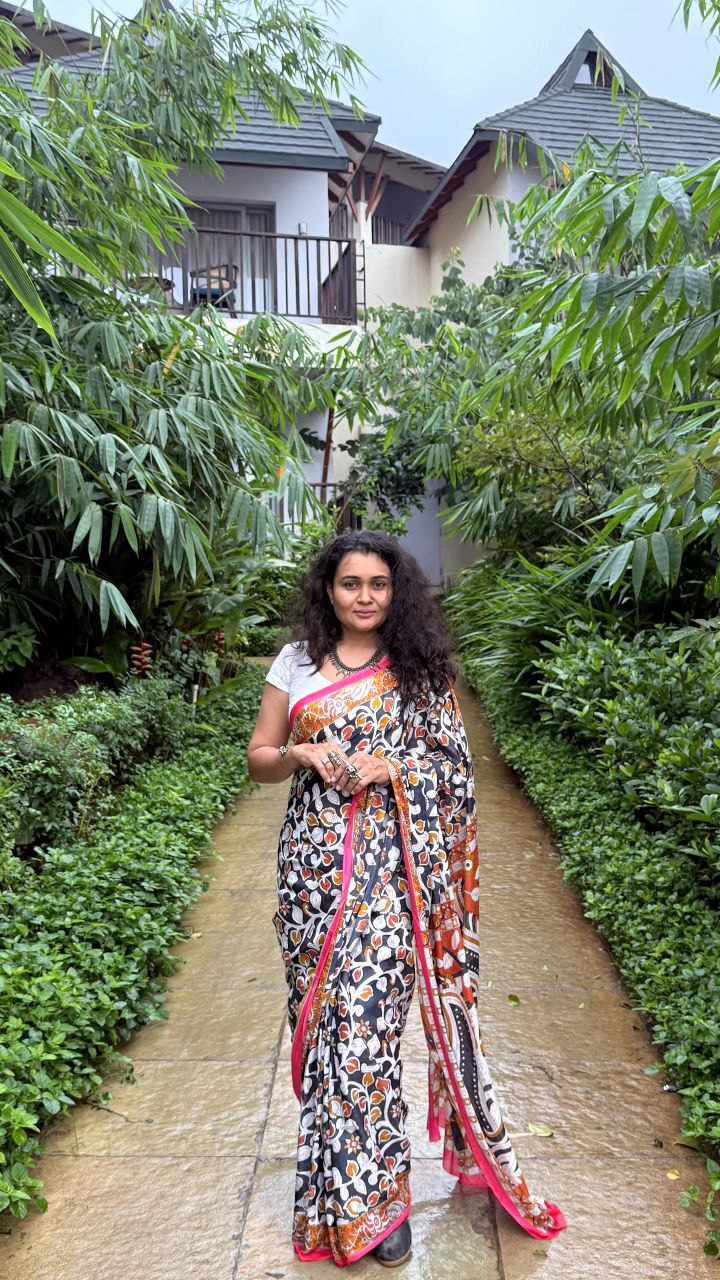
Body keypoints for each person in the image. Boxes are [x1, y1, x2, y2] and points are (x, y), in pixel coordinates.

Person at [246, 530, 567, 1268]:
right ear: (328, 590)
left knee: (368, 1028)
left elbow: (453, 771)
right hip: (310, 874)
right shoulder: (295, 662)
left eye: (378, 585)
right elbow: (260, 759)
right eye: (350, 583)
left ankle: (380, 1204)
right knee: (328, 1034)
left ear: (396, 592)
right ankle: (335, 1191)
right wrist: (299, 753)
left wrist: (392, 767)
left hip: (395, 875)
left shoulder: (419, 667)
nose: (364, 597)